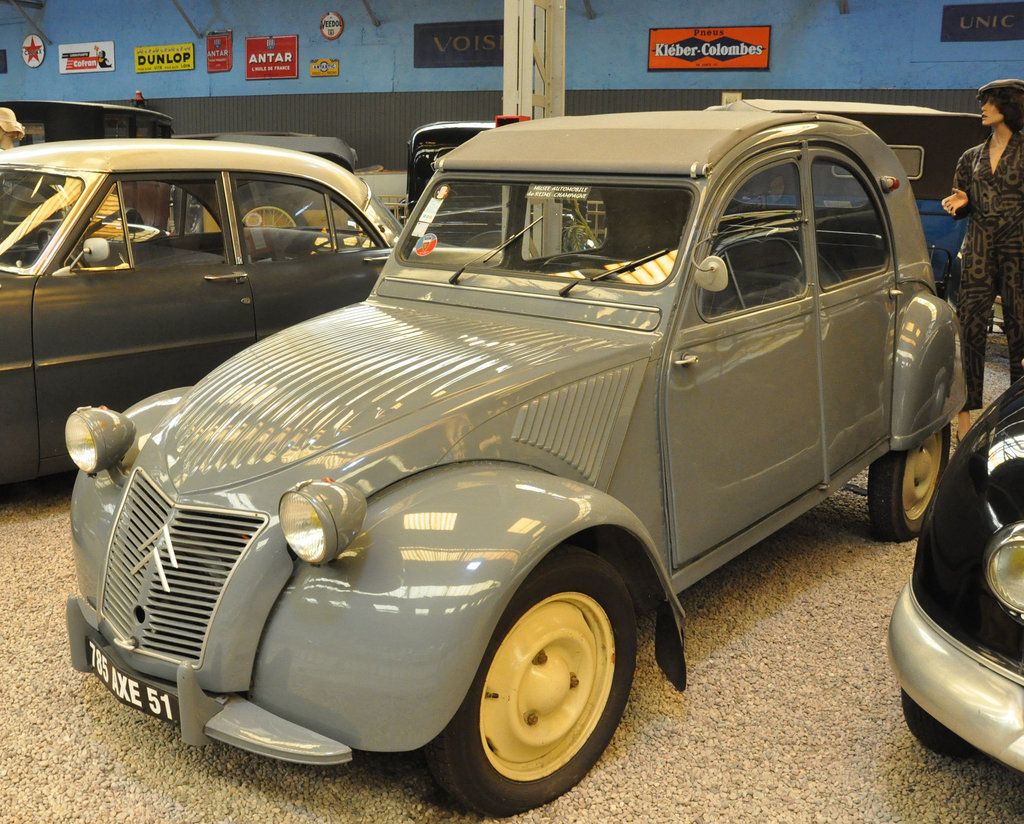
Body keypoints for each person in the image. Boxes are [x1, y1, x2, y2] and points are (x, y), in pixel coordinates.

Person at [942, 78, 1024, 439]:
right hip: (979, 243)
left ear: (1009, 106)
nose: (984, 107)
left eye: (990, 102)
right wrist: (960, 206)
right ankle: (965, 415)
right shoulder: (970, 157)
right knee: (969, 324)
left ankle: (1016, 412)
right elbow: (962, 199)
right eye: (984, 101)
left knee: (1019, 325)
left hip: (1018, 243)